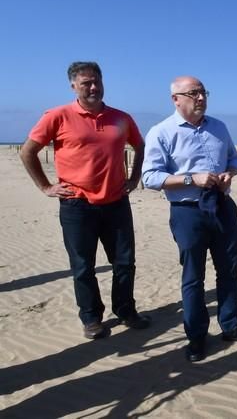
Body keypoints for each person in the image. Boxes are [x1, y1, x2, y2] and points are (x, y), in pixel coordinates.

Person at [20, 61, 150, 340]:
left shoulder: (121, 117)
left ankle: (126, 310)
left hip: (116, 202)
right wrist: (45, 187)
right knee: (83, 267)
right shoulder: (57, 115)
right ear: (73, 86)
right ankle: (91, 318)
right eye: (86, 83)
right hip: (76, 205)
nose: (93, 87)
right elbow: (27, 152)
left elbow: (140, 146)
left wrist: (134, 177)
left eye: (97, 82)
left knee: (125, 262)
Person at [142, 76, 237, 362]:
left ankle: (231, 325)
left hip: (222, 206)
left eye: (203, 92)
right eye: (193, 93)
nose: (200, 98)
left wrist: (228, 174)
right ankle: (196, 337)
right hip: (187, 212)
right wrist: (189, 178)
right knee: (193, 278)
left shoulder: (219, 127)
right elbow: (149, 177)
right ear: (176, 99)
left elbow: (235, 160)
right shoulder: (161, 132)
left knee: (229, 270)